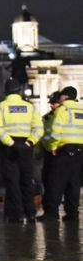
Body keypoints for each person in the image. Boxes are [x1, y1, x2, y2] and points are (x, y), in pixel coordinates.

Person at [0, 78, 43, 223]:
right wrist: (29, 142)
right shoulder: (30, 107)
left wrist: (11, 143)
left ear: (6, 92)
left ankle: (18, 214)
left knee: (12, 182)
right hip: (27, 146)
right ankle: (31, 213)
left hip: (9, 147)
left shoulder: (1, 107)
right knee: (27, 180)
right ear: (19, 91)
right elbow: (39, 128)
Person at [40, 86, 83, 222]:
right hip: (80, 152)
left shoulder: (62, 110)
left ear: (64, 97)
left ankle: (52, 214)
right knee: (74, 184)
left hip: (63, 151)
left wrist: (53, 147)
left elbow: (55, 132)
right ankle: (72, 214)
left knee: (55, 183)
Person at [39, 91, 62, 204]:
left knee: (56, 181)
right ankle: (48, 207)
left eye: (54, 103)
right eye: (51, 103)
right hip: (48, 152)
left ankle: (54, 206)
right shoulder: (46, 118)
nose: (51, 105)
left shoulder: (63, 116)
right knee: (46, 179)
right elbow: (41, 135)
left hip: (60, 152)